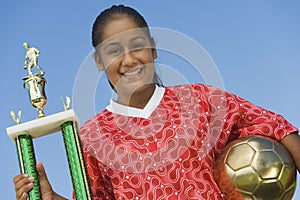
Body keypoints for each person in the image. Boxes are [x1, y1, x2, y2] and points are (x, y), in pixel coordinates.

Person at [13, 5, 300, 200]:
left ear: (152, 48)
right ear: (99, 62)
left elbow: (278, 127)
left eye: (136, 45)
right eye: (114, 51)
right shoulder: (91, 138)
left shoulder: (200, 100)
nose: (129, 59)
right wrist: (52, 198)